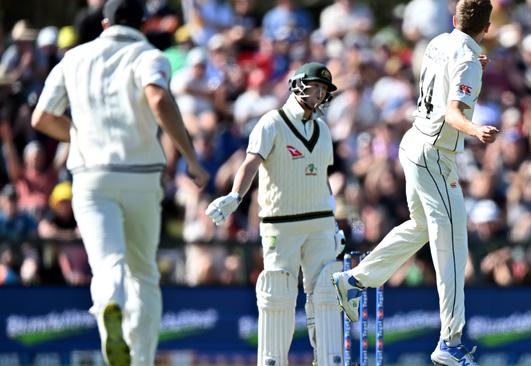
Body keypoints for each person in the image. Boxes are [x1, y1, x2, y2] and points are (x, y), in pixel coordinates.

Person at [30, 0, 209, 365]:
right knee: (143, 272)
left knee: (108, 263)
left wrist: (80, 138)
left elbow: (42, 118)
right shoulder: (148, 55)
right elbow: (158, 97)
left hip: (91, 178)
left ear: (104, 22)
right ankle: (140, 358)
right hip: (141, 176)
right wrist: (190, 157)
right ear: (143, 24)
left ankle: (110, 301)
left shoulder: (74, 58)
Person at [332, 1, 498, 365]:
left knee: (421, 227)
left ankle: (355, 280)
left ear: (455, 21)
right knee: (453, 245)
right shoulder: (469, 59)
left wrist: (474, 64)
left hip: (414, 145)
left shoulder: (439, 42)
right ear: (487, 27)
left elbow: (451, 72)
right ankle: (450, 342)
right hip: (436, 156)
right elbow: (453, 112)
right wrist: (476, 129)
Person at [205, 62, 345, 366]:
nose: (320, 93)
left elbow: (320, 175)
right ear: (296, 85)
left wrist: (333, 217)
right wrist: (235, 196)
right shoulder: (272, 122)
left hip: (320, 222)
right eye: (315, 86)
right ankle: (272, 362)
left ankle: (330, 360)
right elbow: (250, 163)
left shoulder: (322, 128)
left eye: (323, 89)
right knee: (277, 292)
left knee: (326, 291)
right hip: (281, 225)